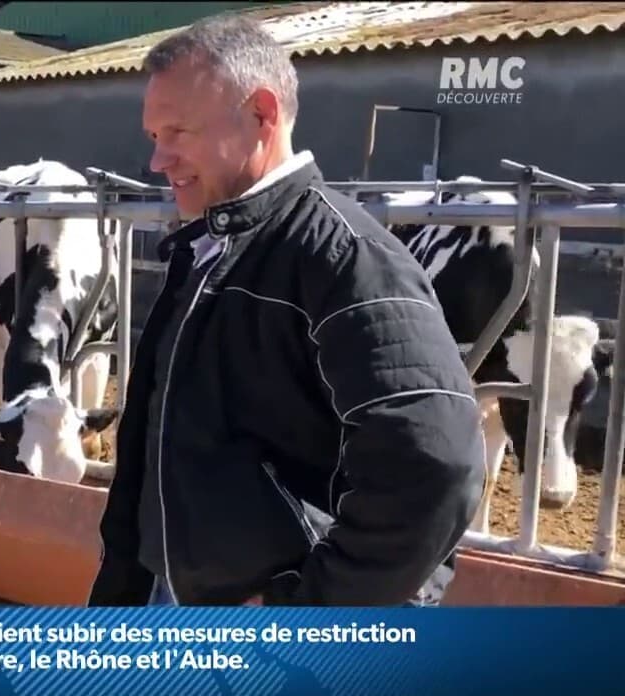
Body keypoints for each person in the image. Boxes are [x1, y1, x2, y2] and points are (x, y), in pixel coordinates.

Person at [87, 15, 487, 607]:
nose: (158, 160)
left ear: (262, 115)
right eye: (153, 137)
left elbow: (433, 464)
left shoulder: (344, 259)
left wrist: (310, 616)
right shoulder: (212, 248)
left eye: (177, 132)